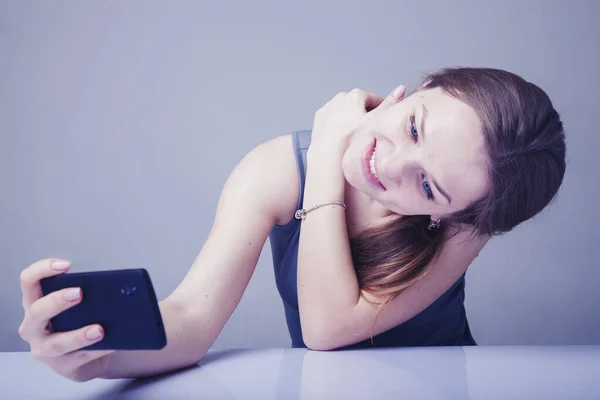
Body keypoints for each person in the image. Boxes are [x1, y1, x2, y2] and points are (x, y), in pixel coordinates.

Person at [18, 67, 566, 382]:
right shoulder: (275, 169)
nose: (389, 163)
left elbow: (326, 330)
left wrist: (331, 154)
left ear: (450, 212)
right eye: (414, 127)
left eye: (426, 187)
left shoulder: (467, 221)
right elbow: (189, 319)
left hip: (437, 388)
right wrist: (99, 357)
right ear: (415, 89)